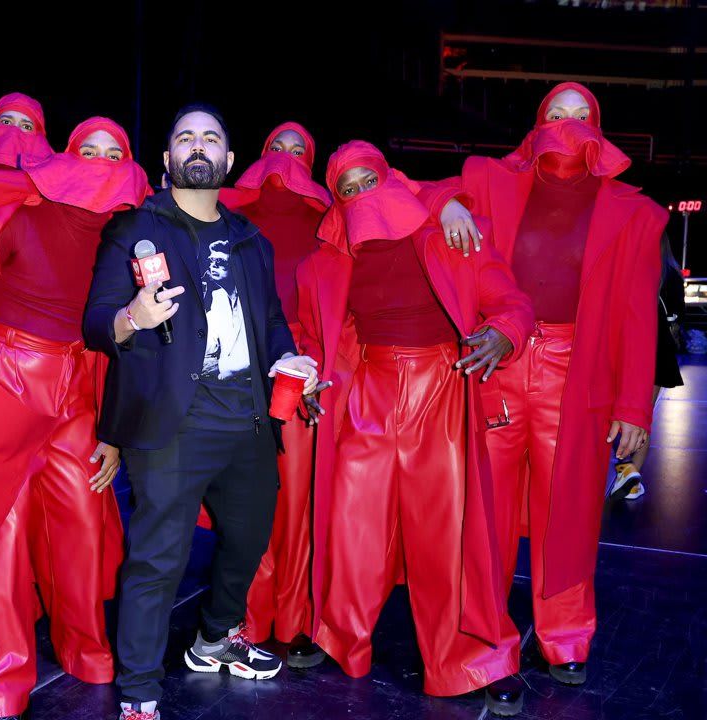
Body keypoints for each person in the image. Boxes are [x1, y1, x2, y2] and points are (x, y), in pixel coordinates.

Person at [83, 104, 320, 720]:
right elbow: (96, 323)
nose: (197, 145)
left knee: (246, 541)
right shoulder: (135, 229)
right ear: (166, 162)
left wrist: (291, 361)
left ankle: (213, 639)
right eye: (184, 137)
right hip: (171, 422)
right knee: (158, 557)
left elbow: (270, 320)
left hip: (246, 420)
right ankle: (138, 690)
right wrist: (134, 317)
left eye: (210, 137)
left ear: (228, 161)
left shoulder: (250, 240)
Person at [425, 82, 667, 686]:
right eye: (556, 115)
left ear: (600, 127)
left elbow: (641, 317)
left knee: (572, 512)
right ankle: (485, 639)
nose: (567, 126)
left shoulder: (634, 213)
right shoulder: (487, 179)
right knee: (486, 512)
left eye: (582, 116)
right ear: (536, 123)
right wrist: (448, 204)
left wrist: (636, 407)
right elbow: (413, 194)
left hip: (575, 371)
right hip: (496, 360)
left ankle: (565, 637)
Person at [0, 116, 149, 720]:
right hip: (4, 376)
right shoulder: (21, 207)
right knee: (1, 535)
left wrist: (114, 431)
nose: (97, 161)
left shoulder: (135, 233)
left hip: (76, 386)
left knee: (82, 525)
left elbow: (138, 341)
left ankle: (85, 647)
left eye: (111, 152)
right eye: (86, 150)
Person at [300, 141, 532, 716]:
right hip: (369, 392)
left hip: (442, 388)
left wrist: (503, 330)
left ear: (391, 177)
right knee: (352, 525)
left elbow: (511, 301)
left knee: (445, 538)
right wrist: (304, 370)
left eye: (367, 181)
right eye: (345, 189)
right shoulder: (328, 258)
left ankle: (470, 659)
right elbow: (315, 330)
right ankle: (340, 636)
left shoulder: (451, 233)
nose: (358, 195)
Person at [216, 122, 331, 665]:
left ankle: (294, 619)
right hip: (237, 378)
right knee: (249, 506)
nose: (285, 159)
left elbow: (406, 193)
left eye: (297, 151)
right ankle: (245, 616)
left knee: (296, 508)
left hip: (301, 381)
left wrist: (449, 207)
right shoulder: (227, 215)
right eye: (275, 148)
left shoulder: (332, 221)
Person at [611, 233, 685, 500]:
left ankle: (626, 471)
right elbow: (676, 320)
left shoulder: (634, 270)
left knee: (616, 412)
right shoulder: (673, 276)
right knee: (641, 415)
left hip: (630, 345)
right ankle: (629, 475)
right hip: (659, 349)